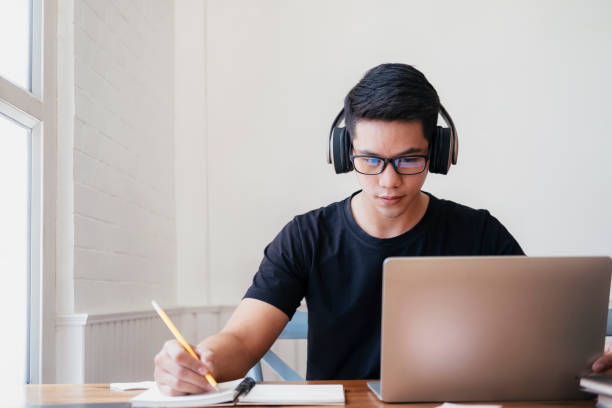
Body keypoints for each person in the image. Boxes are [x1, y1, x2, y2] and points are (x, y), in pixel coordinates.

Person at [153, 64, 610, 396]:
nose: (388, 181)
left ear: (439, 153)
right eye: (370, 160)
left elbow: (542, 337)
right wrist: (201, 359)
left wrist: (593, 365)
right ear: (342, 152)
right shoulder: (306, 237)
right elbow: (241, 340)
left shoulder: (480, 234)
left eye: (409, 159)